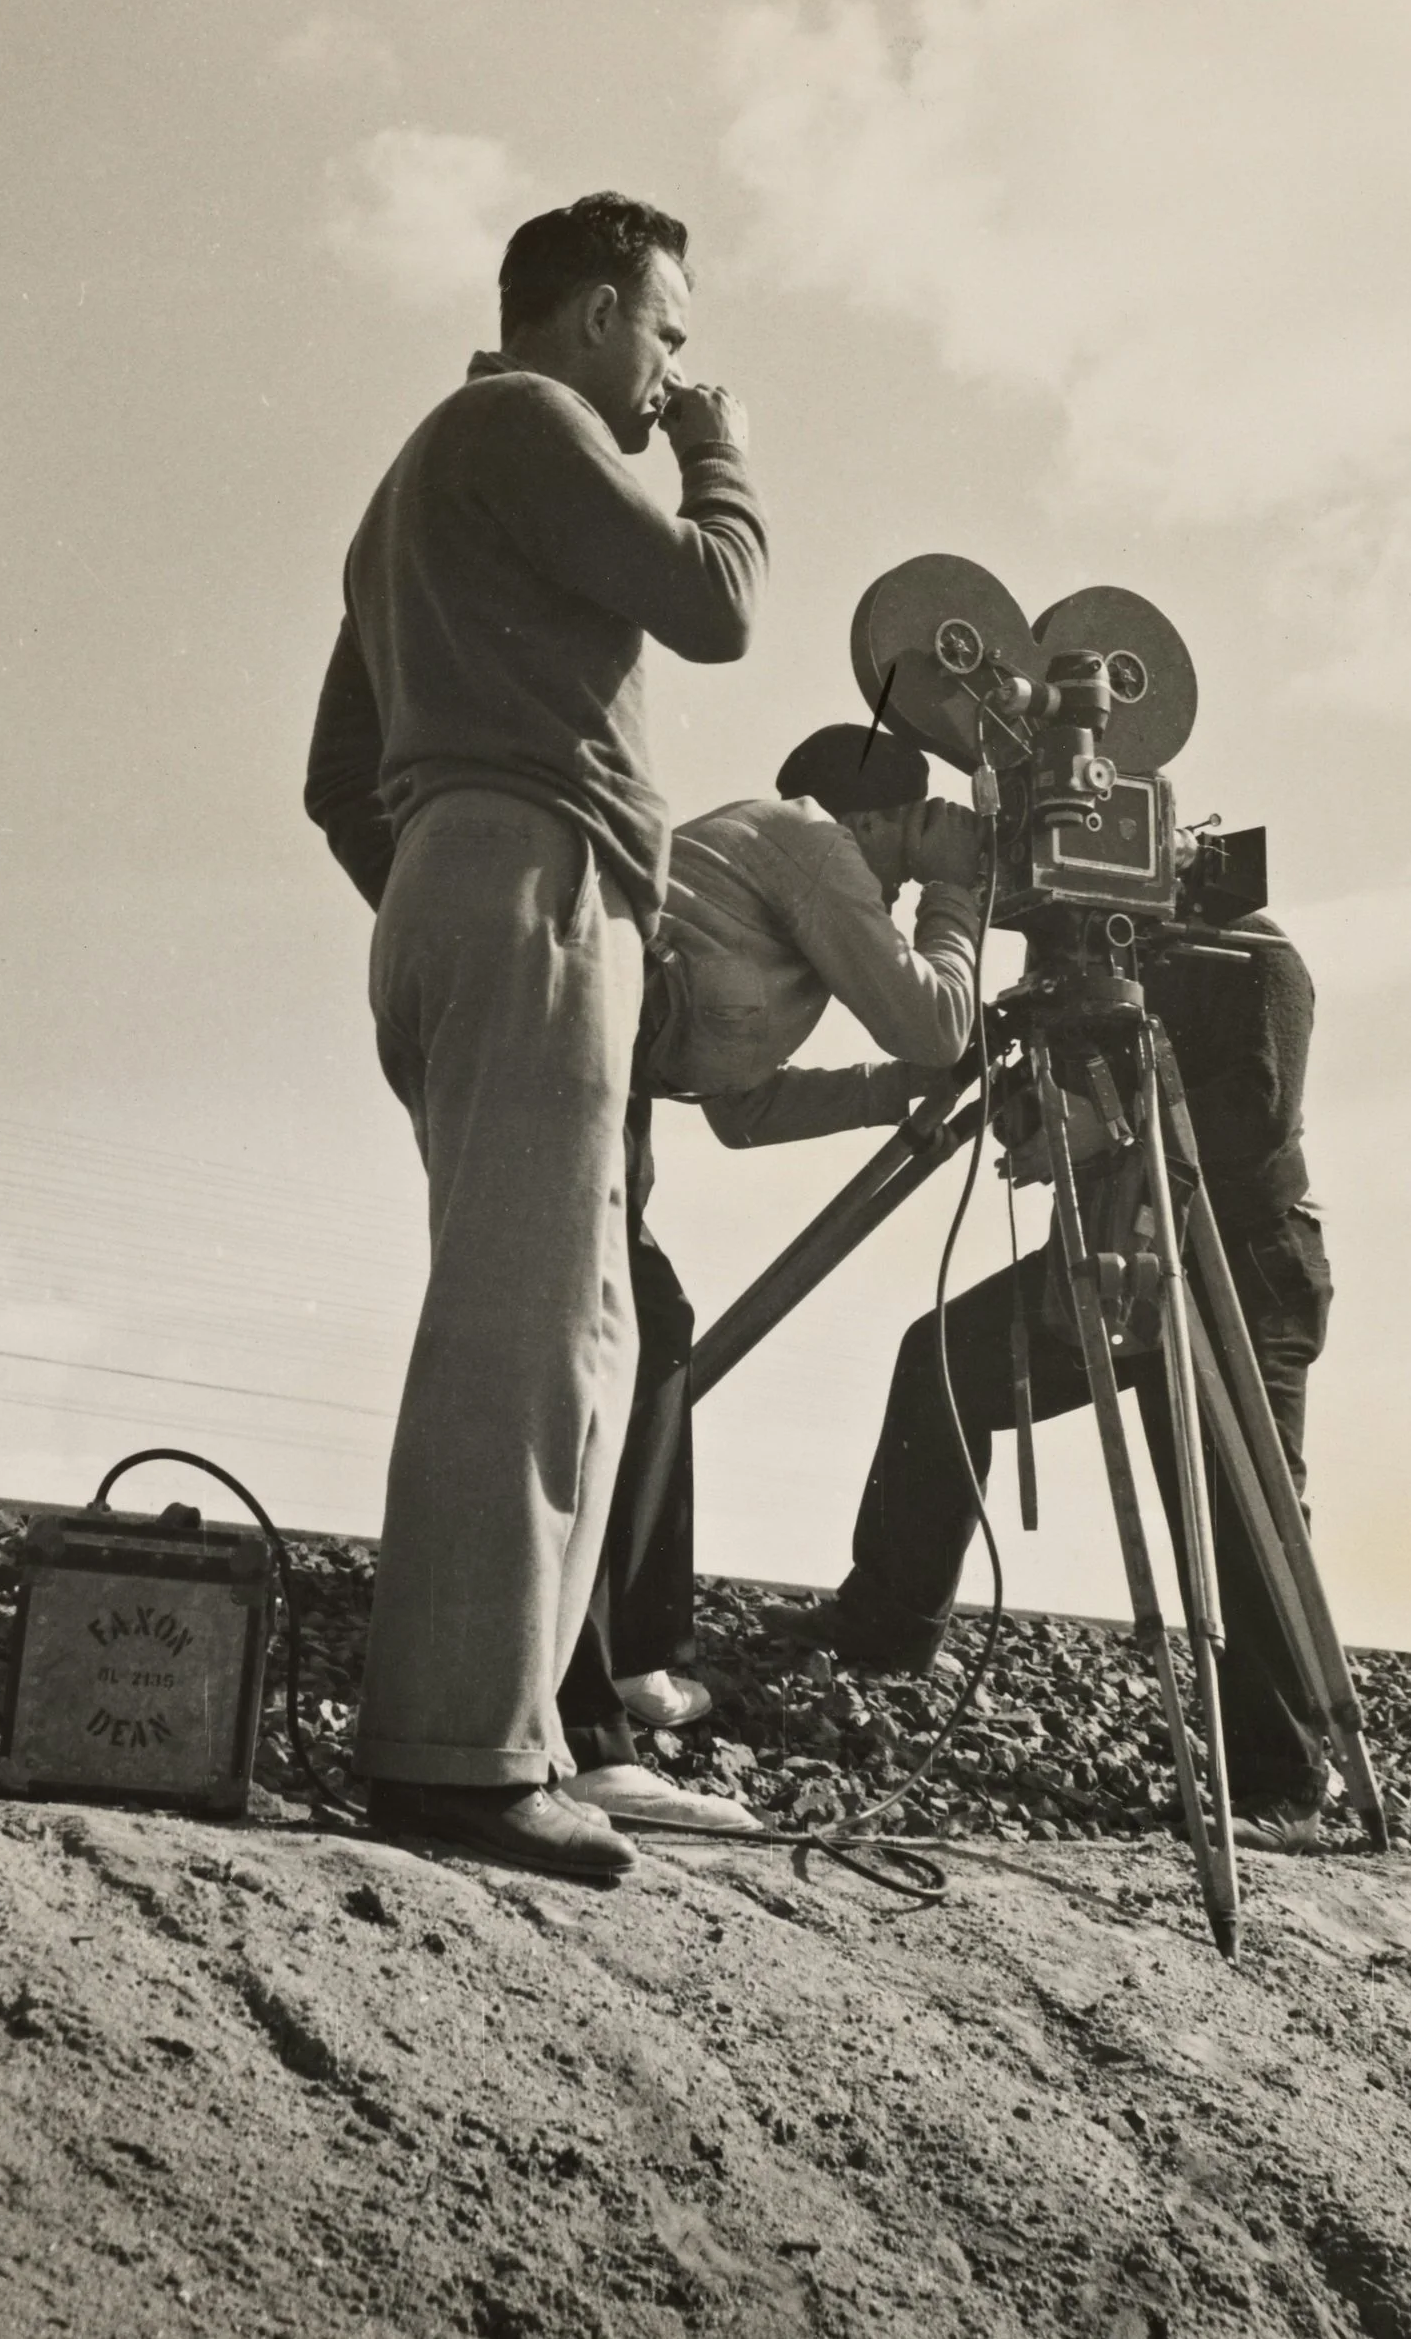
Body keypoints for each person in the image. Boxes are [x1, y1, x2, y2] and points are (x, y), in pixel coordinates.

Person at [302, 191, 766, 1881]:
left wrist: (439, 883)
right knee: (533, 1328)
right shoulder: (531, 416)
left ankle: (511, 1730)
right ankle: (458, 1755)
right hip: (536, 874)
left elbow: (334, 778)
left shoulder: (406, 496)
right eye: (668, 333)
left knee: (578, 1316)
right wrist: (720, 455)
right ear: (590, 315)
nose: (674, 374)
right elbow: (717, 598)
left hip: (458, 877)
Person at [764, 909, 1338, 1849]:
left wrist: (1100, 1123)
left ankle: (1283, 1785)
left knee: (1243, 1509)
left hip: (1245, 1262)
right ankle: (890, 1617)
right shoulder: (1088, 952)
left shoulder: (1254, 953)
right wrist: (1036, 1111)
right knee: (945, 1356)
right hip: (1122, 1247)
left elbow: (1258, 1112)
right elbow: (1045, 1093)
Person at [546, 720, 985, 1830]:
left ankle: (636, 1658)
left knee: (655, 1325)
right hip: (563, 1060)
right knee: (612, 1347)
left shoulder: (784, 890)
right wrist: (960, 887)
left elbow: (741, 1111)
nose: (911, 856)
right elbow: (939, 1023)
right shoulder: (811, 843)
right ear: (876, 818)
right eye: (912, 830)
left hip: (606, 1072)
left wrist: (887, 1090)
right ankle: (580, 1721)